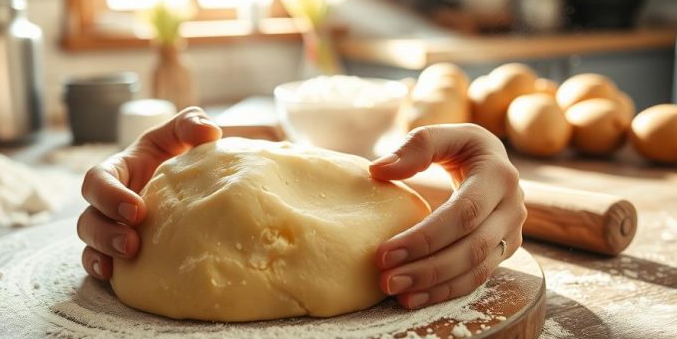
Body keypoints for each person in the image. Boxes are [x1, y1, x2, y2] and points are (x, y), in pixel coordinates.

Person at [78, 107, 526, 309]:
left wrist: (482, 170)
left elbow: (459, 186)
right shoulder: (157, 186)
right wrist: (149, 187)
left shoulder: (393, 171)